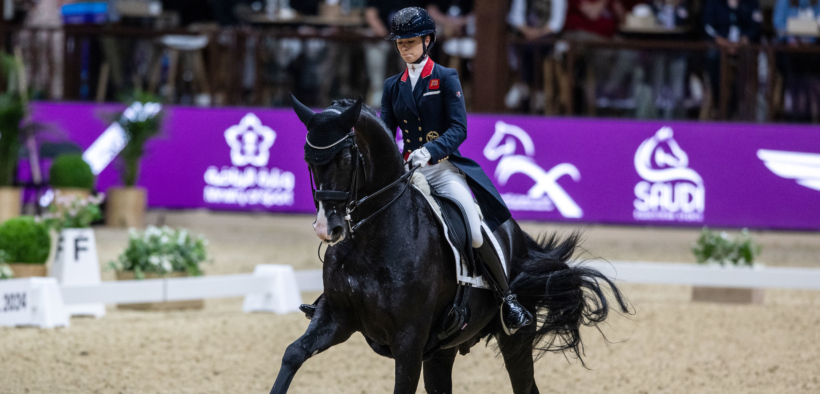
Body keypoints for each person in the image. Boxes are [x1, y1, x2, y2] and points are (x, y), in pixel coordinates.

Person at [301, 7, 533, 335]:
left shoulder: (446, 78)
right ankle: (334, 296)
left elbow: (459, 128)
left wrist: (430, 151)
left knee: (473, 223)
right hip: (406, 172)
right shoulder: (393, 86)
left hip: (440, 168)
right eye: (400, 44)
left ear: (427, 40)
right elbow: (384, 130)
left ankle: (506, 298)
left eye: (411, 42)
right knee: (360, 217)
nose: (405, 49)